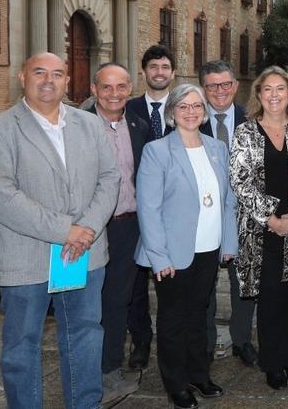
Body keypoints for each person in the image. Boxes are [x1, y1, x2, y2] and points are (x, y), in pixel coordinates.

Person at [0, 52, 119, 408]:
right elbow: (0, 196)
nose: (48, 80)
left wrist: (86, 227)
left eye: (57, 73)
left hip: (84, 253)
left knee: (85, 336)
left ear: (68, 81)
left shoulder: (90, 125)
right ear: (22, 77)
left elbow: (109, 178)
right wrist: (65, 230)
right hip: (24, 255)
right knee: (22, 344)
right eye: (39, 72)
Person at [135, 83, 238, 409]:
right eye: (184, 107)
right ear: (172, 113)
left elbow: (227, 202)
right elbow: (148, 209)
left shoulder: (216, 148)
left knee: (199, 314)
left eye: (197, 106)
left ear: (204, 111)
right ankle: (176, 383)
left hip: (208, 248)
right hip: (172, 253)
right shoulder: (158, 151)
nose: (191, 112)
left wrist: (228, 242)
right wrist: (159, 256)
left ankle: (198, 373)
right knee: (173, 319)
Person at [229, 67, 288, 390]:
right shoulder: (245, 132)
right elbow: (240, 181)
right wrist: (272, 219)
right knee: (270, 297)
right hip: (261, 230)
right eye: (267, 90)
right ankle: (273, 362)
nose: (274, 95)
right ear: (258, 95)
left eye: (281, 89)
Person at [88, 62, 149, 404]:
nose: (114, 94)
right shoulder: (78, 127)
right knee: (84, 302)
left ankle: (109, 369)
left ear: (130, 89)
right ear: (95, 90)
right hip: (91, 229)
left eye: (121, 87)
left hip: (128, 227)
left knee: (116, 302)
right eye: (106, 87)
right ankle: (86, 370)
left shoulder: (139, 127)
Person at [196, 59, 256, 366]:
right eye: (212, 86)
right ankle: (206, 342)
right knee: (204, 283)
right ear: (203, 89)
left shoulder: (252, 120)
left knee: (243, 283)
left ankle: (242, 339)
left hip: (243, 216)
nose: (220, 91)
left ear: (235, 86)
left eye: (225, 84)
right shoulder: (191, 120)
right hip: (203, 217)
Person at [123, 44, 177, 370]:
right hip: (133, 209)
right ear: (143, 72)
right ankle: (141, 340)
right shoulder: (126, 109)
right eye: (153, 66)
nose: (159, 72)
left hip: (172, 212)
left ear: (172, 72)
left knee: (170, 283)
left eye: (165, 66)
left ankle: (172, 344)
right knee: (134, 283)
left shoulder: (186, 108)